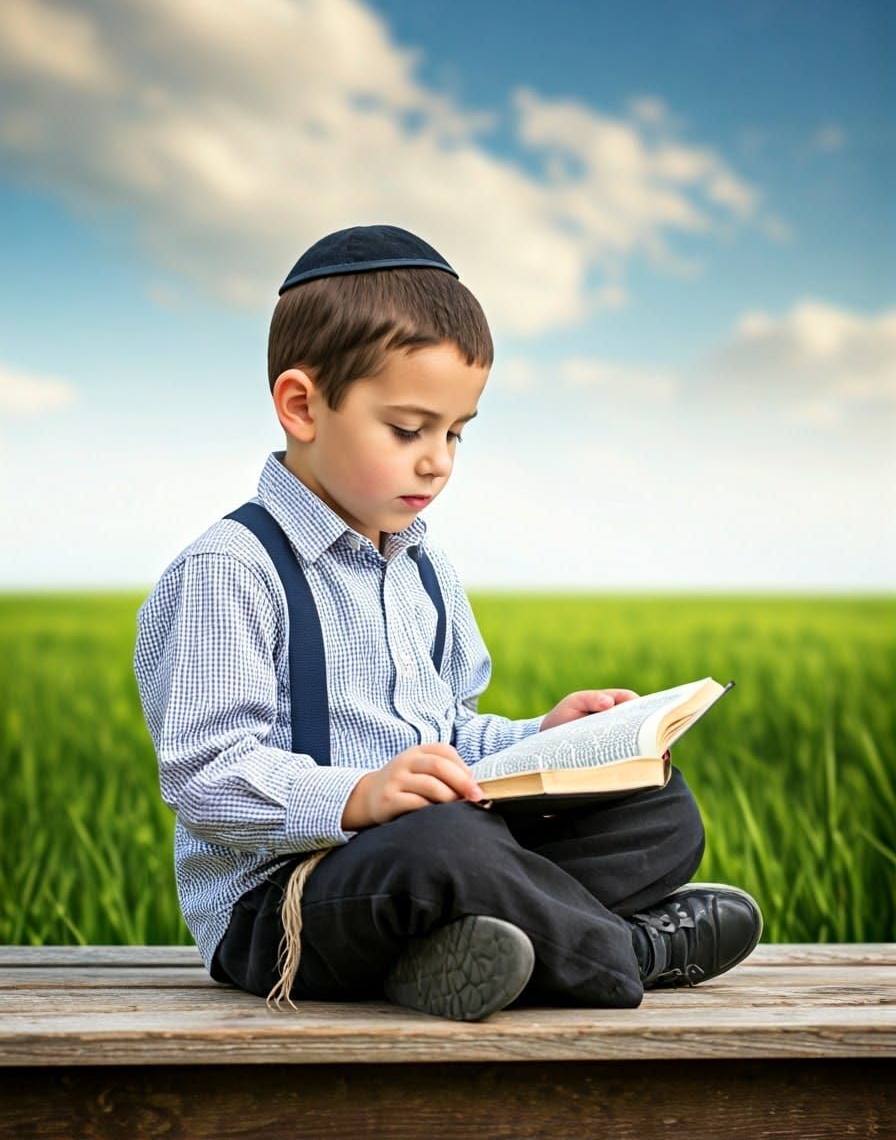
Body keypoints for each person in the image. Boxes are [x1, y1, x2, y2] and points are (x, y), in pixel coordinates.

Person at [134, 223, 762, 1022]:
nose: (437, 460)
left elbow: (449, 737)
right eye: (408, 430)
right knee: (445, 847)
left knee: (656, 807)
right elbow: (206, 777)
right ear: (302, 406)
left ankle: (454, 950)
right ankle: (625, 952)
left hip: (427, 865)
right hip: (289, 905)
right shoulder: (231, 569)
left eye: (455, 432)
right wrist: (360, 795)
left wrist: (544, 737)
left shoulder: (423, 568)